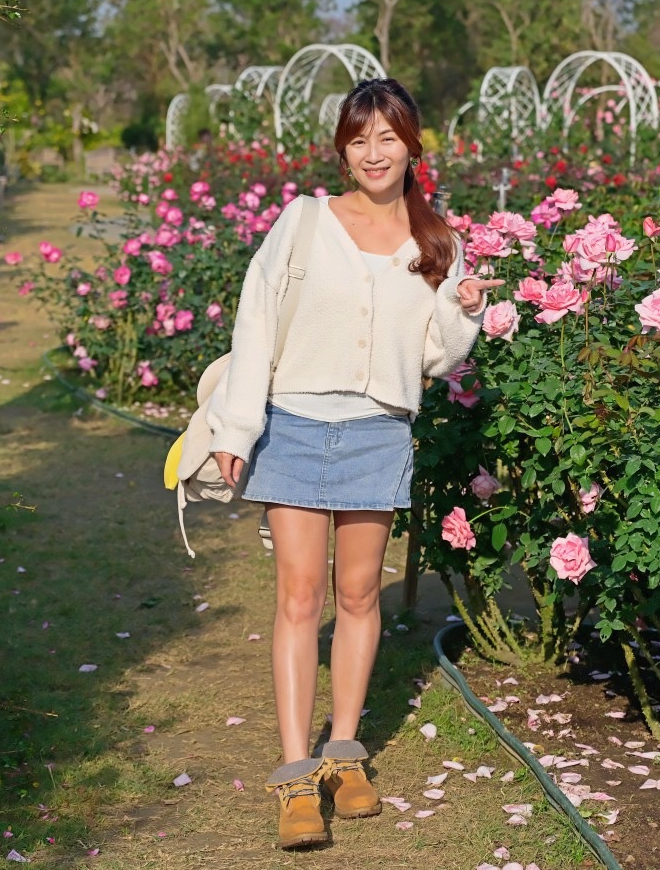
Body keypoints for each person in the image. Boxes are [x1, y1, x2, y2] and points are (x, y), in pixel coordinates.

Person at [207, 79, 501, 850]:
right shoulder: (305, 222)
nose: (374, 153)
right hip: (294, 424)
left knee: (360, 593)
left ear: (412, 147)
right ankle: (298, 775)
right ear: (344, 148)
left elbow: (436, 357)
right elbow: (255, 320)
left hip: (379, 429)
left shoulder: (435, 238)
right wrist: (238, 427)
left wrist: (463, 311)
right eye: (359, 138)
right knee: (300, 597)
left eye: (388, 138)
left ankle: (346, 752)